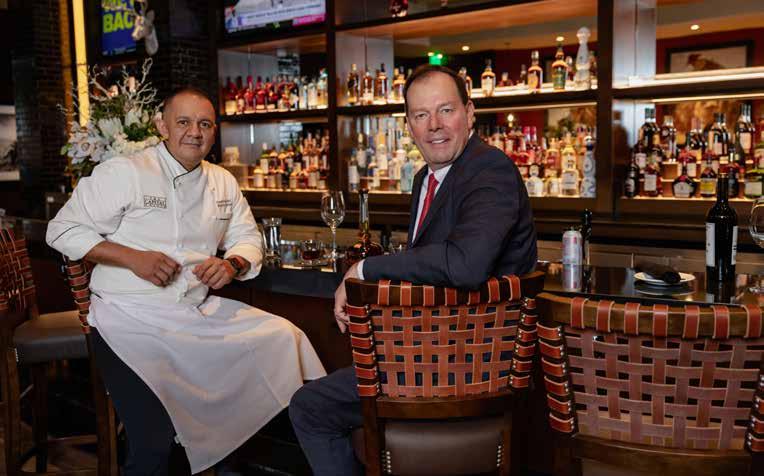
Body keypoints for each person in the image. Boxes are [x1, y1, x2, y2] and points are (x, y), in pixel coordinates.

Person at [46, 87, 326, 476]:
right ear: (161, 126)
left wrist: (233, 264)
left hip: (193, 310)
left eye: (205, 124)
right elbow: (62, 230)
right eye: (183, 122)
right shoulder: (125, 172)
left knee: (282, 336)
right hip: (127, 317)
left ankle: (229, 448)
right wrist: (132, 258)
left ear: (214, 133)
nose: (195, 132)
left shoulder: (222, 181)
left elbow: (248, 239)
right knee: (153, 441)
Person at [289, 65, 537, 476]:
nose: (434, 125)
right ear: (409, 125)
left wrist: (365, 268)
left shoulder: (490, 169)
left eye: (446, 110)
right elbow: (428, 267)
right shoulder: (427, 177)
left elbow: (465, 264)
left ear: (470, 113)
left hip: (470, 368)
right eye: (421, 115)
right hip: (429, 350)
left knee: (308, 407)